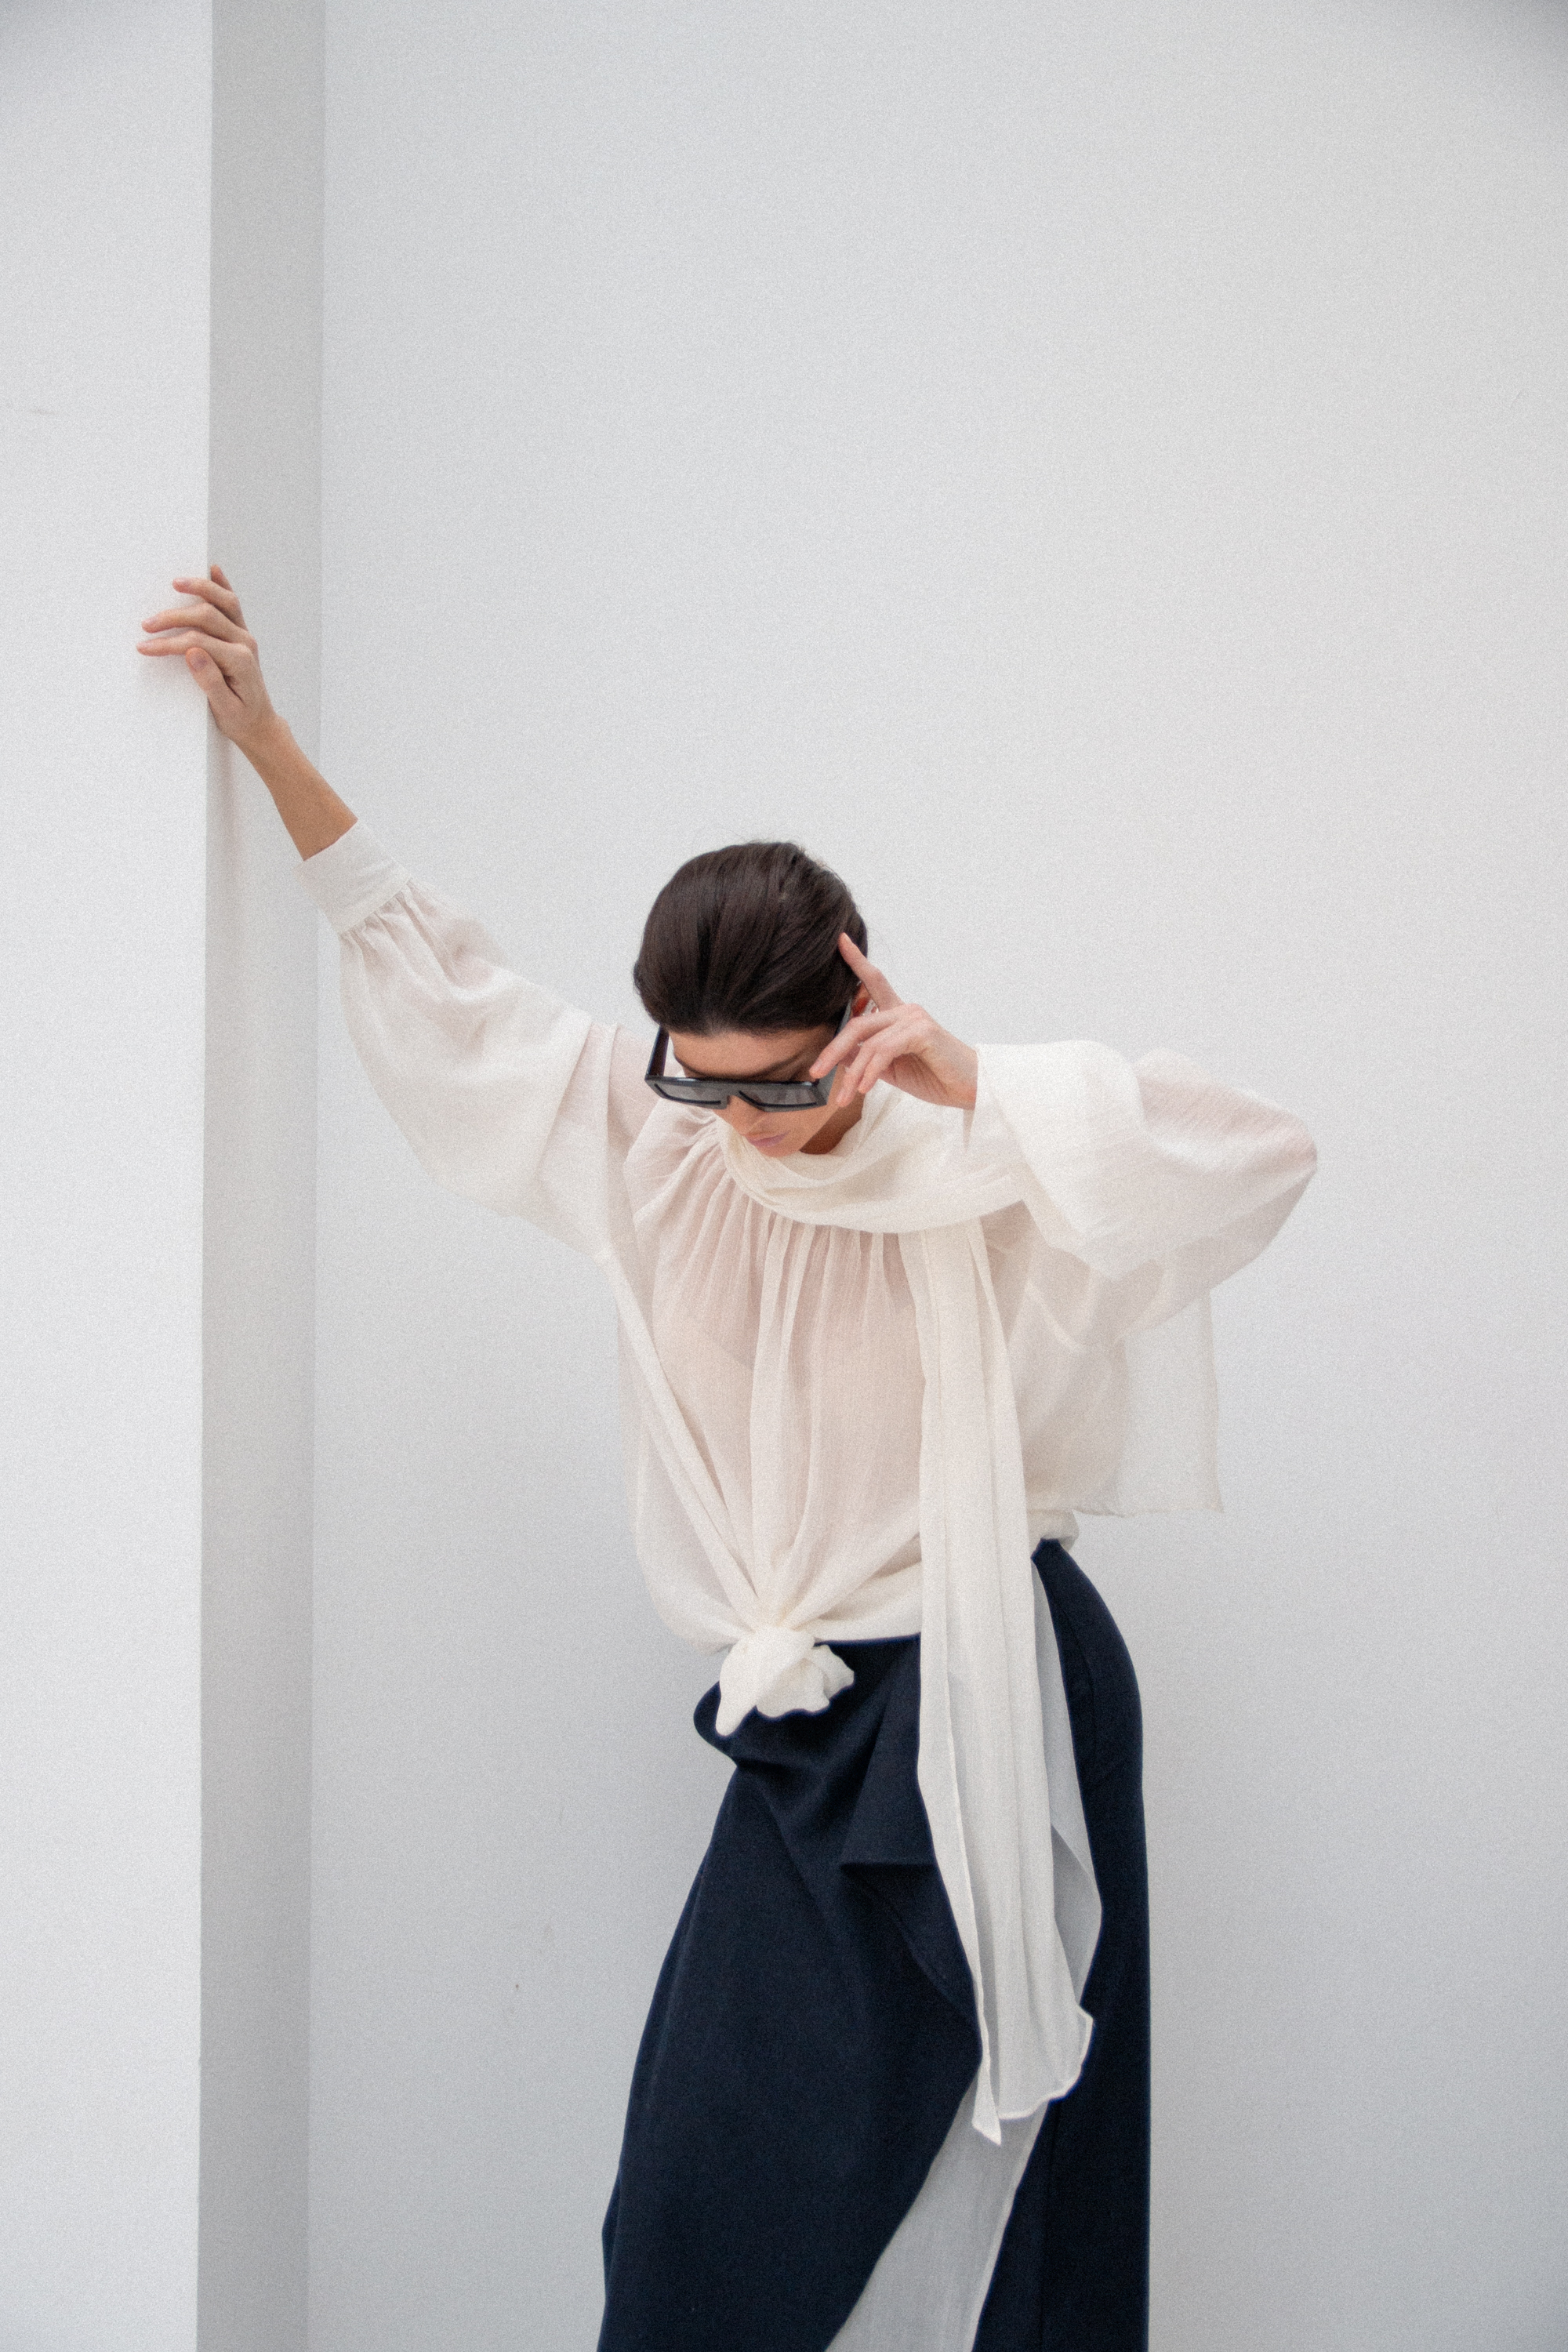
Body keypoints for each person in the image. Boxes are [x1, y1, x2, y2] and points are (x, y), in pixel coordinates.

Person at [140, 568, 1317, 2352]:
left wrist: (979, 1079)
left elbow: (1256, 1160)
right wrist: (268, 741)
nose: (747, 1125)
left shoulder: (976, 1164)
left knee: (1025, 2193)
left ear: (859, 1019)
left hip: (987, 1699)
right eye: (708, 1082)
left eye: (783, 1084)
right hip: (810, 1718)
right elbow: (446, 988)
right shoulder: (661, 1146)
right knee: (698, 2218)